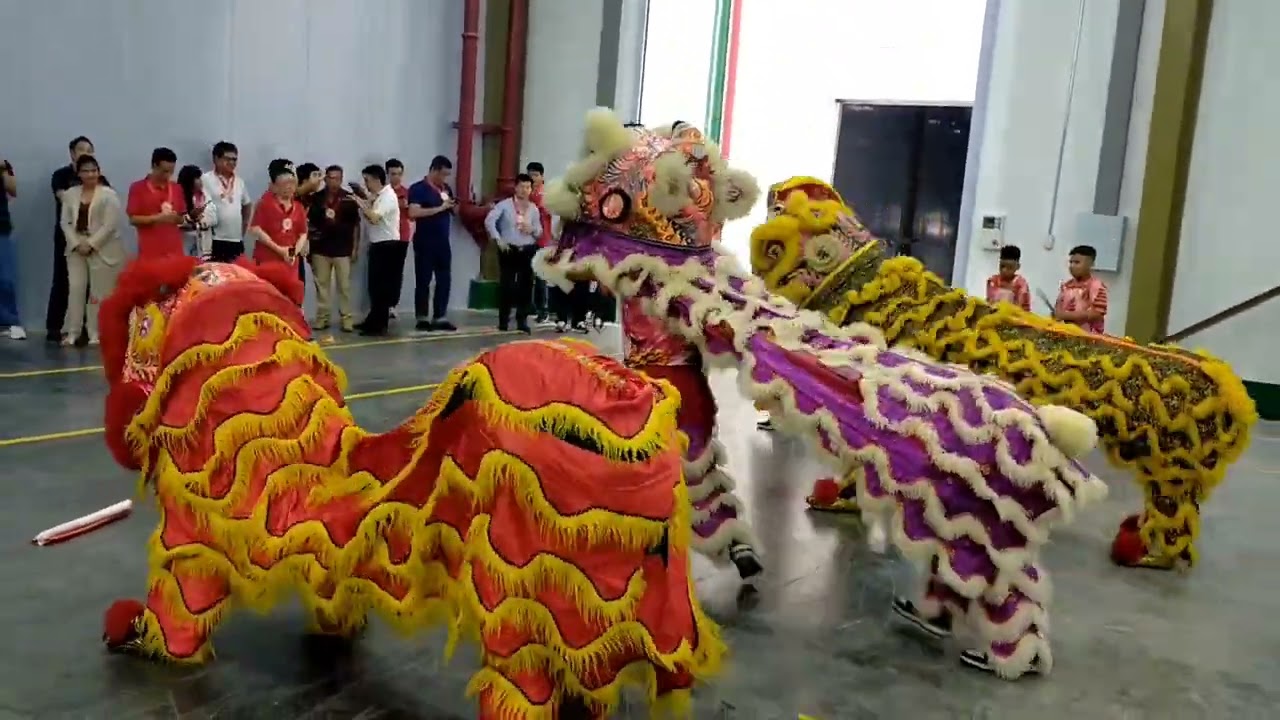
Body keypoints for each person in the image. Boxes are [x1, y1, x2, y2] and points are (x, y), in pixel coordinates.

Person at [58, 155, 124, 346]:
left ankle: (96, 333)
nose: (90, 175)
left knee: (99, 293)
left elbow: (110, 225)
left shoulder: (109, 195)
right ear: (78, 173)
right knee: (75, 289)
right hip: (76, 247)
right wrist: (77, 243)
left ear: (99, 172)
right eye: (85, 171)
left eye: (94, 170)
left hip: (102, 248)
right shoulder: (70, 194)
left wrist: (92, 244)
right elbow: (65, 222)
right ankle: (73, 332)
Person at [48, 136, 108, 343]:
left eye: (90, 150)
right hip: (68, 237)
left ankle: (83, 328)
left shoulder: (99, 178)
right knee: (62, 282)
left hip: (93, 240)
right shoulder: (61, 175)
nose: (86, 154)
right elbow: (63, 197)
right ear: (72, 154)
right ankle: (54, 327)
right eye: (82, 150)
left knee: (89, 285)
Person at [484, 172, 542, 333]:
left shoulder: (533, 209)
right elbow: (489, 221)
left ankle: (522, 320)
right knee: (507, 285)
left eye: (528, 187)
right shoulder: (504, 205)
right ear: (515, 187)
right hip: (509, 248)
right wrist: (498, 239)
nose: (524, 190)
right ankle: (503, 320)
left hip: (527, 249)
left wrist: (532, 229)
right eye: (521, 187)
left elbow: (539, 231)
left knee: (526, 285)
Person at [352, 164, 404, 336]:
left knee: (381, 288)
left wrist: (360, 203)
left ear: (376, 179)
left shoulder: (388, 196)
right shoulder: (379, 196)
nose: (366, 184)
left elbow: (374, 218)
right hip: (378, 244)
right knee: (374, 286)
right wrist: (364, 198)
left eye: (367, 180)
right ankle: (372, 320)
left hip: (387, 246)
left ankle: (379, 325)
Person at [406, 155, 457, 331]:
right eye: (443, 174)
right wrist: (439, 208)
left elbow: (451, 210)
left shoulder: (446, 189)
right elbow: (413, 213)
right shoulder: (418, 189)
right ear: (434, 170)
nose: (445, 178)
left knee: (444, 279)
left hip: (443, 241)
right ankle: (422, 317)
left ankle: (440, 316)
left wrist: (452, 206)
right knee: (423, 280)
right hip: (425, 241)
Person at [309, 165, 360, 333]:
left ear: (341, 179)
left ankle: (346, 319)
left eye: (337, 178)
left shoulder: (348, 199)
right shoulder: (316, 198)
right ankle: (322, 318)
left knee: (344, 287)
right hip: (320, 249)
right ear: (325, 179)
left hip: (342, 249)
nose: (334, 182)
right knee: (322, 287)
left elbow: (356, 225)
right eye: (331, 178)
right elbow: (309, 223)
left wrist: (355, 248)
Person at [249, 161, 308, 281]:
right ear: (274, 185)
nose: (289, 186)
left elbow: (303, 233)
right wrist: (280, 250)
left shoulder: (298, 207)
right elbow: (255, 229)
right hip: (268, 260)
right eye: (285, 183)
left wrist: (292, 253)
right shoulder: (265, 204)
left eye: (292, 182)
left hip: (290, 263)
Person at [126, 148, 186, 259]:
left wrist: (175, 218)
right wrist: (157, 218)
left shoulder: (176, 188)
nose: (168, 175)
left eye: (171, 172)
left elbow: (181, 219)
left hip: (174, 250)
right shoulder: (138, 188)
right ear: (154, 166)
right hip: (150, 250)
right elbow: (133, 219)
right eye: (164, 171)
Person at [200, 141, 252, 262]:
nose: (232, 163)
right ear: (216, 159)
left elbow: (247, 205)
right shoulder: (205, 179)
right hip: (215, 240)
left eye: (234, 159)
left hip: (236, 240)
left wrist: (243, 228)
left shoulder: (239, 182)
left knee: (237, 273)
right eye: (227, 159)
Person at [1053, 244, 1108, 333]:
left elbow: (1097, 314)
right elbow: (1058, 310)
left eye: (1077, 262)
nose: (1072, 266)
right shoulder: (1066, 286)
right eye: (1071, 262)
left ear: (1091, 264)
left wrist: (1065, 316)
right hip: (1066, 333)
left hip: (1088, 336)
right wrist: (1056, 314)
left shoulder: (1096, 286)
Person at [526, 161, 553, 323]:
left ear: (542, 177)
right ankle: (531, 307)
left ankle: (543, 310)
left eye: (536, 175)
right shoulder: (528, 193)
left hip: (542, 240)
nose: (533, 179)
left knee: (540, 276)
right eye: (530, 176)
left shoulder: (544, 195)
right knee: (528, 275)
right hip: (527, 239)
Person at [0, 156, 23, 339]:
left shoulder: (3, 165)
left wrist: (2, 169)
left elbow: (13, 190)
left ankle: (9, 322)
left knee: (5, 279)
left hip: (1, 228)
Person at [386, 159, 411, 320]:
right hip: (385, 236)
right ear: (387, 174)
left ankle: (393, 304)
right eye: (393, 174)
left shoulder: (406, 192)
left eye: (399, 174)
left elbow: (411, 213)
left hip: (401, 236)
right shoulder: (383, 192)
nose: (396, 177)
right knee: (383, 272)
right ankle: (380, 304)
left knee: (396, 272)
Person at [177, 165, 216, 258]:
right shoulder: (179, 198)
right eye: (197, 178)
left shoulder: (206, 196)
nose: (201, 180)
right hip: (187, 246)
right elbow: (176, 222)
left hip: (205, 249)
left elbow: (214, 218)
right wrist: (191, 217)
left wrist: (201, 219)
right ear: (189, 181)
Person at [985, 244, 1031, 311]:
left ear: (1017, 266)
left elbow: (1024, 309)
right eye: (1002, 266)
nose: (1004, 270)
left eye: (1009, 267)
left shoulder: (1021, 284)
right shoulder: (993, 281)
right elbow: (989, 303)